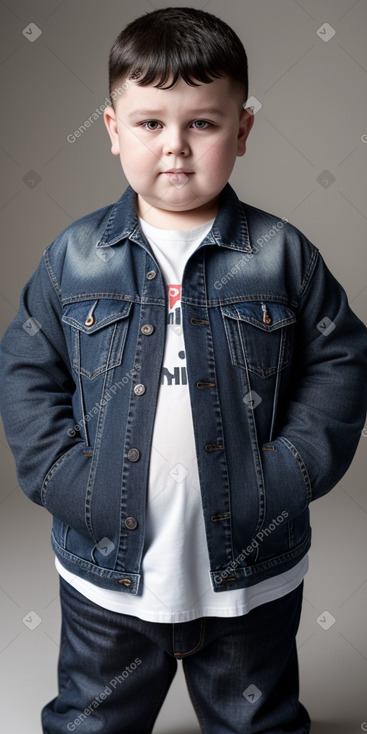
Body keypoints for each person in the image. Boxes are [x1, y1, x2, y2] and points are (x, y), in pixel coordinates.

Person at [1, 6, 366, 733]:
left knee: (256, 722)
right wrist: (69, 484)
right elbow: (25, 370)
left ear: (242, 129)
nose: (175, 147)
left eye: (201, 122)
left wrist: (284, 475)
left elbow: (341, 361)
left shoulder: (280, 254)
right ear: (111, 129)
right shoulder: (75, 257)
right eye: (149, 123)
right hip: (107, 571)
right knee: (89, 722)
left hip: (248, 572)